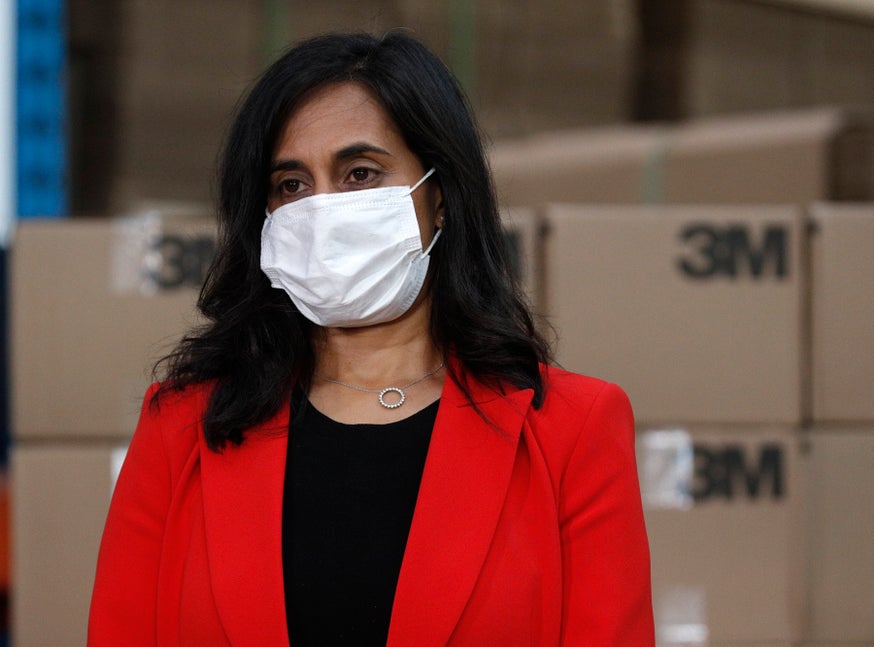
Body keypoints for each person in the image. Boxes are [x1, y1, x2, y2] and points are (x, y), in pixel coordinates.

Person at [88, 31, 653, 647]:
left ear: (438, 198)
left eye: (359, 173)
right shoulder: (180, 428)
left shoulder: (572, 430)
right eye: (292, 186)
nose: (322, 210)